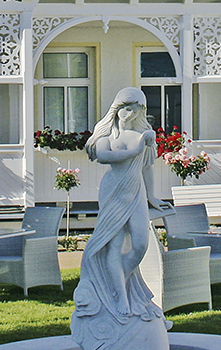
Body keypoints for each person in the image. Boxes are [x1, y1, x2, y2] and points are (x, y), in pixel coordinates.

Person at [70, 87, 171, 350]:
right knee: (114, 246)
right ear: (116, 109)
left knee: (140, 244)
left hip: (135, 192)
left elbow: (147, 168)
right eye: (125, 108)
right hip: (113, 191)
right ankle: (120, 300)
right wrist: (137, 146)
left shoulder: (143, 137)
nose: (128, 114)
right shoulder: (107, 134)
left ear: (141, 112)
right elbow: (105, 156)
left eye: (134, 110)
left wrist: (152, 196)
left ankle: (118, 285)